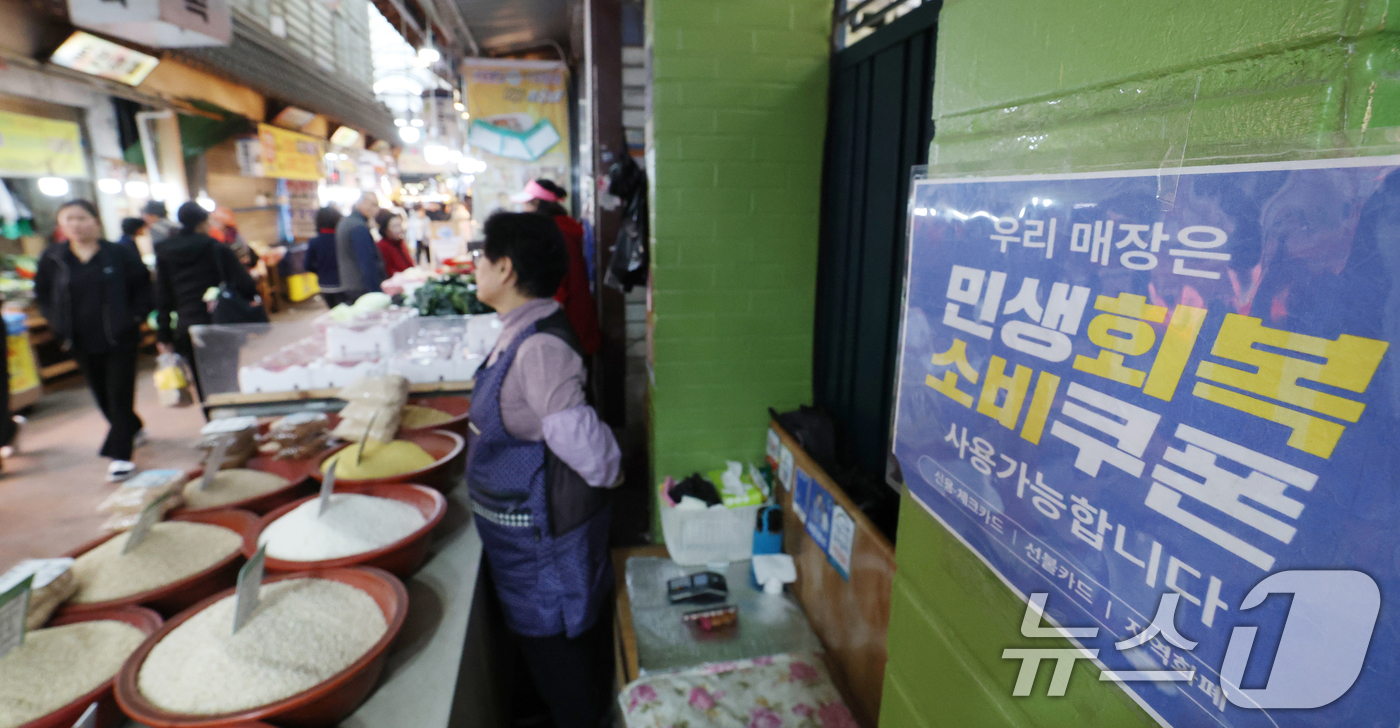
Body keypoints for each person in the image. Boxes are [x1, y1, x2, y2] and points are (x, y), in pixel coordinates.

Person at [467, 211, 621, 728]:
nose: (476, 266)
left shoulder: (539, 347)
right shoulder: (518, 330)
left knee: (564, 663)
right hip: (522, 542)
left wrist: (614, 476)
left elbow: (586, 446)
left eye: (482, 256)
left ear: (505, 268)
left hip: (544, 546)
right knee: (546, 658)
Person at [33, 200, 153, 481]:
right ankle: (132, 426)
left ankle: (121, 454)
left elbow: (143, 287)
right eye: (69, 219)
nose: (76, 224)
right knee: (102, 396)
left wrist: (135, 317)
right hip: (79, 339)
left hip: (119, 337)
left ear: (96, 221)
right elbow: (43, 294)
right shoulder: (54, 258)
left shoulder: (118, 254)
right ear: (61, 226)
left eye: (82, 218)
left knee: (120, 393)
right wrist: (56, 323)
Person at [153, 202, 258, 400]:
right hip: (219, 321)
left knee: (202, 382)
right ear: (203, 223)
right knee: (226, 379)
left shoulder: (165, 252)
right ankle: (234, 425)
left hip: (187, 326)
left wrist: (164, 334)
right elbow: (246, 285)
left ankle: (213, 421)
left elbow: (162, 295)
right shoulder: (216, 248)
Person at [512, 179, 603, 355]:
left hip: (566, 318)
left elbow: (559, 277)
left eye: (527, 205)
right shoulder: (564, 226)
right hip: (575, 312)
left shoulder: (554, 232)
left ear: (537, 204)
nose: (524, 210)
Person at [334, 192, 386, 302]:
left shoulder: (347, 222)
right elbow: (366, 262)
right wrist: (376, 291)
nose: (376, 209)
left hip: (351, 284)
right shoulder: (357, 226)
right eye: (373, 204)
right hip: (361, 287)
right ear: (362, 203)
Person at [304, 206, 348, 306]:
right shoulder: (342, 239)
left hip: (325, 285)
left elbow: (307, 265)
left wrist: (321, 271)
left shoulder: (315, 242)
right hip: (344, 283)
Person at [375, 212, 414, 277]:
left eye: (400, 225)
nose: (400, 229)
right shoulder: (382, 246)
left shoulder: (400, 243)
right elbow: (388, 271)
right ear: (385, 229)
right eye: (395, 226)